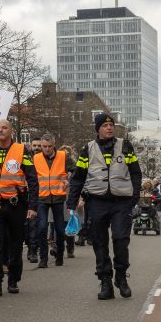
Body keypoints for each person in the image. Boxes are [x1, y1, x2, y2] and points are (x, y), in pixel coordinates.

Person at [66, 113, 141, 300]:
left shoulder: (125, 146)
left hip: (121, 202)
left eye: (111, 125)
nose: (109, 128)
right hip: (97, 201)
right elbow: (78, 178)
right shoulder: (88, 149)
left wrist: (134, 197)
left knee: (121, 239)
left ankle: (121, 277)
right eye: (105, 125)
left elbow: (136, 173)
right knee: (99, 243)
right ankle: (105, 280)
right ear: (97, 129)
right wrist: (71, 203)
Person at [0, 119, 38, 296]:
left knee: (15, 244)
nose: (0, 131)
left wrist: (32, 205)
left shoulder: (21, 150)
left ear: (11, 131)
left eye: (4, 127)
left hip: (16, 204)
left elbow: (32, 179)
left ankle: (13, 280)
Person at [34, 133, 74, 267]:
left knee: (60, 229)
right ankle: (43, 259)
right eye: (44, 146)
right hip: (42, 196)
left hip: (58, 196)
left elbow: (75, 170)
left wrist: (68, 179)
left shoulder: (63, 156)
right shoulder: (36, 158)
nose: (46, 149)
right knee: (42, 228)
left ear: (54, 145)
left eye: (49, 146)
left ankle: (60, 255)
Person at [26, 137, 44, 263]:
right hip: (25, 194)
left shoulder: (44, 159)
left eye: (39, 145)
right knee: (26, 225)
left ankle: (33, 250)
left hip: (41, 195)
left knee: (35, 224)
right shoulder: (26, 158)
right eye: (34, 145)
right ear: (30, 146)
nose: (36, 148)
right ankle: (30, 247)